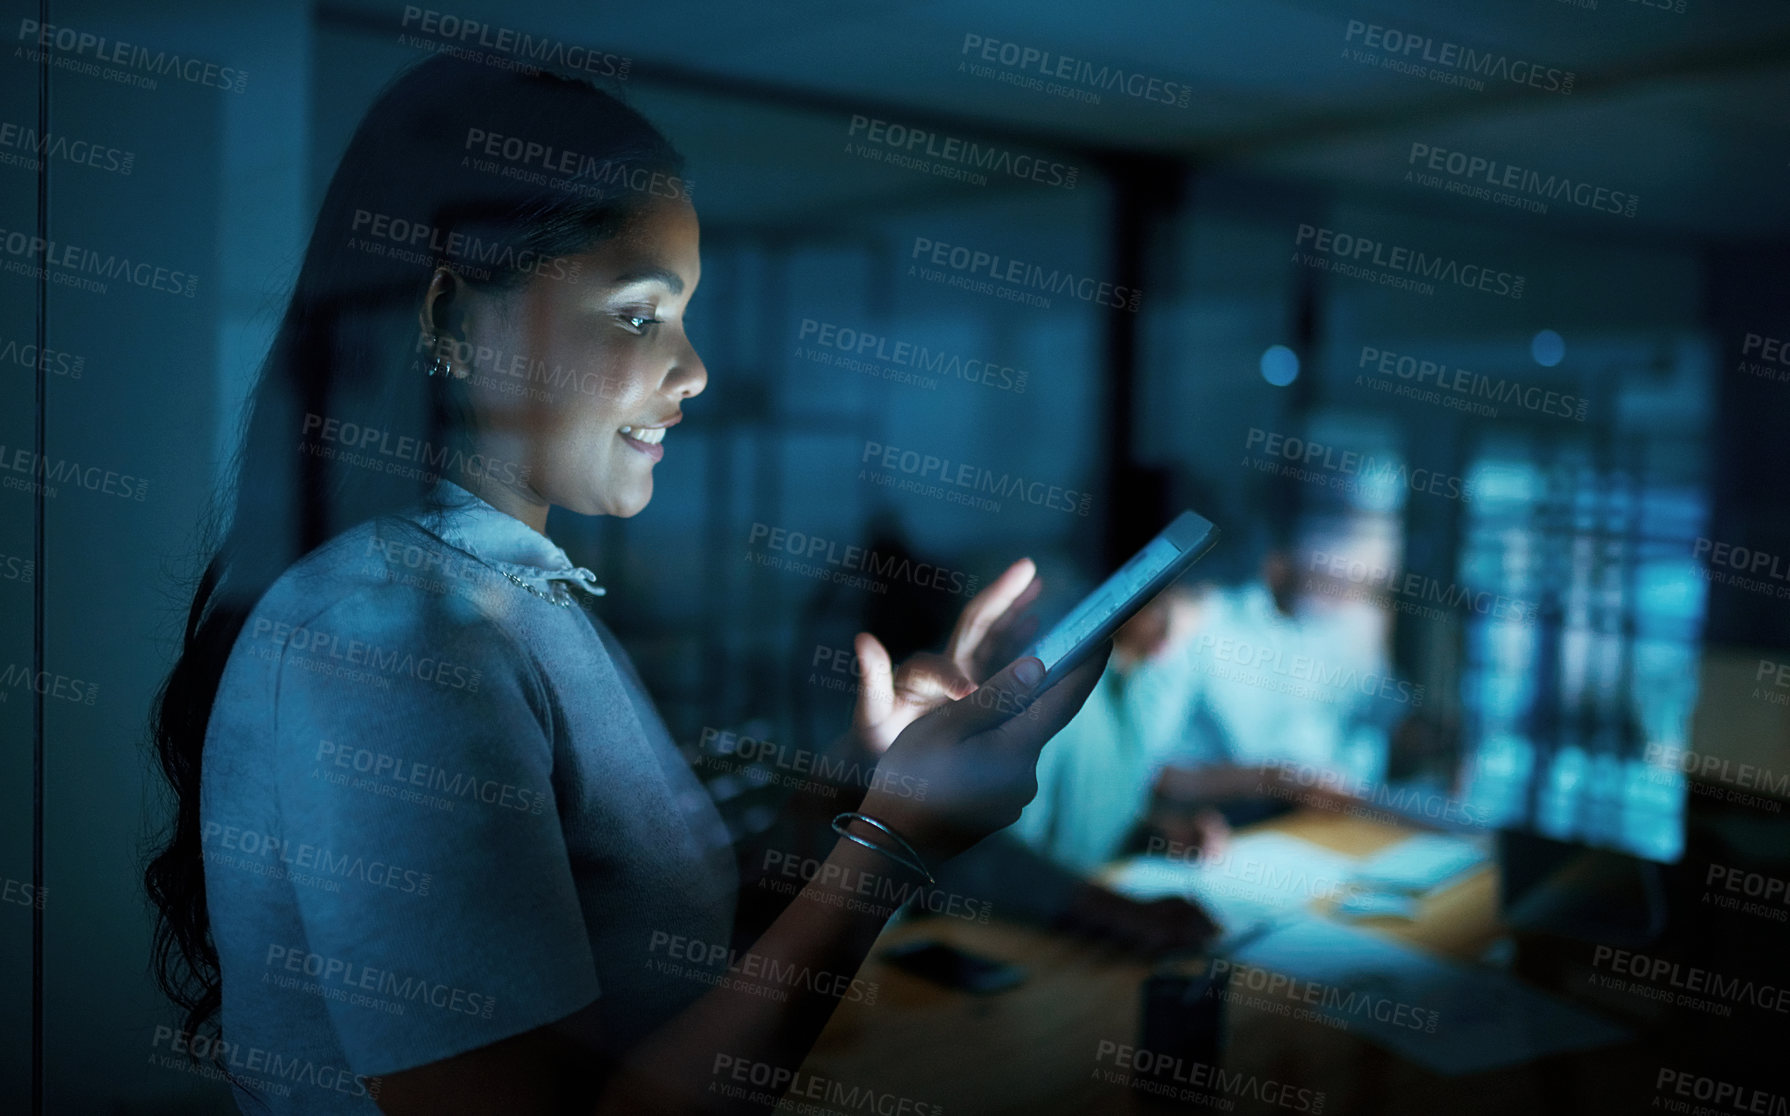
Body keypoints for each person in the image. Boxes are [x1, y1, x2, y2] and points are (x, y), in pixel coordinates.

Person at [143, 55, 1107, 1116]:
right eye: (640, 315)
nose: (694, 372)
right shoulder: (392, 637)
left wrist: (857, 796)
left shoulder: (506, 599)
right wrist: (884, 852)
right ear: (453, 320)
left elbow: (652, 976)